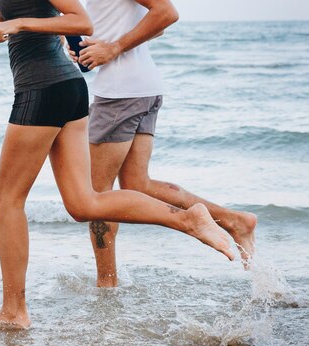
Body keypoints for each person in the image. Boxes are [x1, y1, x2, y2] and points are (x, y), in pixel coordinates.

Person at [0, 0, 234, 330]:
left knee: (7, 199)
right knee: (84, 203)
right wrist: (2, 17)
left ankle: (14, 311)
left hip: (42, 89)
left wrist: (17, 24)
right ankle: (188, 219)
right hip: (64, 88)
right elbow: (41, 15)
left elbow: (81, 21)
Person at [66, 0, 257, 287]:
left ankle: (107, 282)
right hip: (142, 88)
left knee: (97, 195)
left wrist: (114, 48)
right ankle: (233, 220)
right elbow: (155, 29)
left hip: (120, 93)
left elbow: (167, 13)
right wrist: (97, 46)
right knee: (138, 184)